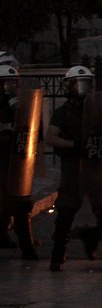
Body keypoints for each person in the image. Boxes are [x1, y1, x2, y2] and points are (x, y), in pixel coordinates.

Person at [45, 66, 102, 272]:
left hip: (97, 164)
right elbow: (50, 136)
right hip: (73, 165)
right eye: (79, 84)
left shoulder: (99, 110)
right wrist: (72, 145)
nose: (83, 88)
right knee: (66, 211)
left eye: (87, 84)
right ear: (69, 86)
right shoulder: (63, 112)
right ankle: (57, 255)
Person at [0, 65, 39, 259]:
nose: (10, 87)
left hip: (15, 159)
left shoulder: (20, 106)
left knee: (21, 202)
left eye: (13, 83)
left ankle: (26, 246)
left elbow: (33, 131)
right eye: (5, 83)